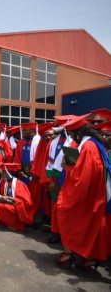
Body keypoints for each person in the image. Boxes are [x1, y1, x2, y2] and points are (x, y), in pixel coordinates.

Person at [55, 115, 111, 270]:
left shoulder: (88, 147)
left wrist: (68, 196)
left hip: (87, 196)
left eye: (73, 134)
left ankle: (79, 255)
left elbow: (84, 177)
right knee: (88, 226)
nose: (72, 137)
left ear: (79, 133)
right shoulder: (90, 145)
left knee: (68, 215)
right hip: (91, 194)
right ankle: (84, 256)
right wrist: (68, 164)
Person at [0, 163, 35, 231]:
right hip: (7, 202)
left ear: (8, 173)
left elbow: (25, 202)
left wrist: (8, 198)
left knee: (2, 206)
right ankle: (4, 220)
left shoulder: (20, 184)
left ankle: (15, 224)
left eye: (3, 172)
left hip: (16, 205)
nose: (2, 174)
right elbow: (1, 193)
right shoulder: (4, 182)